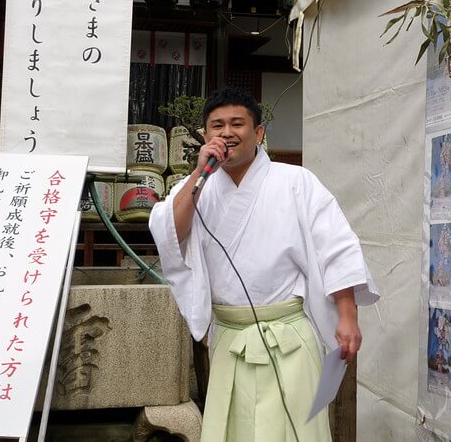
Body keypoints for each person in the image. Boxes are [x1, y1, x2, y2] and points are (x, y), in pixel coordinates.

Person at [149, 87, 380, 441]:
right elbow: (170, 234)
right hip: (229, 336)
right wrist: (198, 174)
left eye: (237, 124)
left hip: (288, 335)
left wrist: (348, 316)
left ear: (258, 133)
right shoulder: (197, 187)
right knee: (233, 430)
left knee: (294, 430)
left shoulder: (297, 182)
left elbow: (337, 247)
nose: (227, 133)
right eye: (217, 126)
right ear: (206, 135)